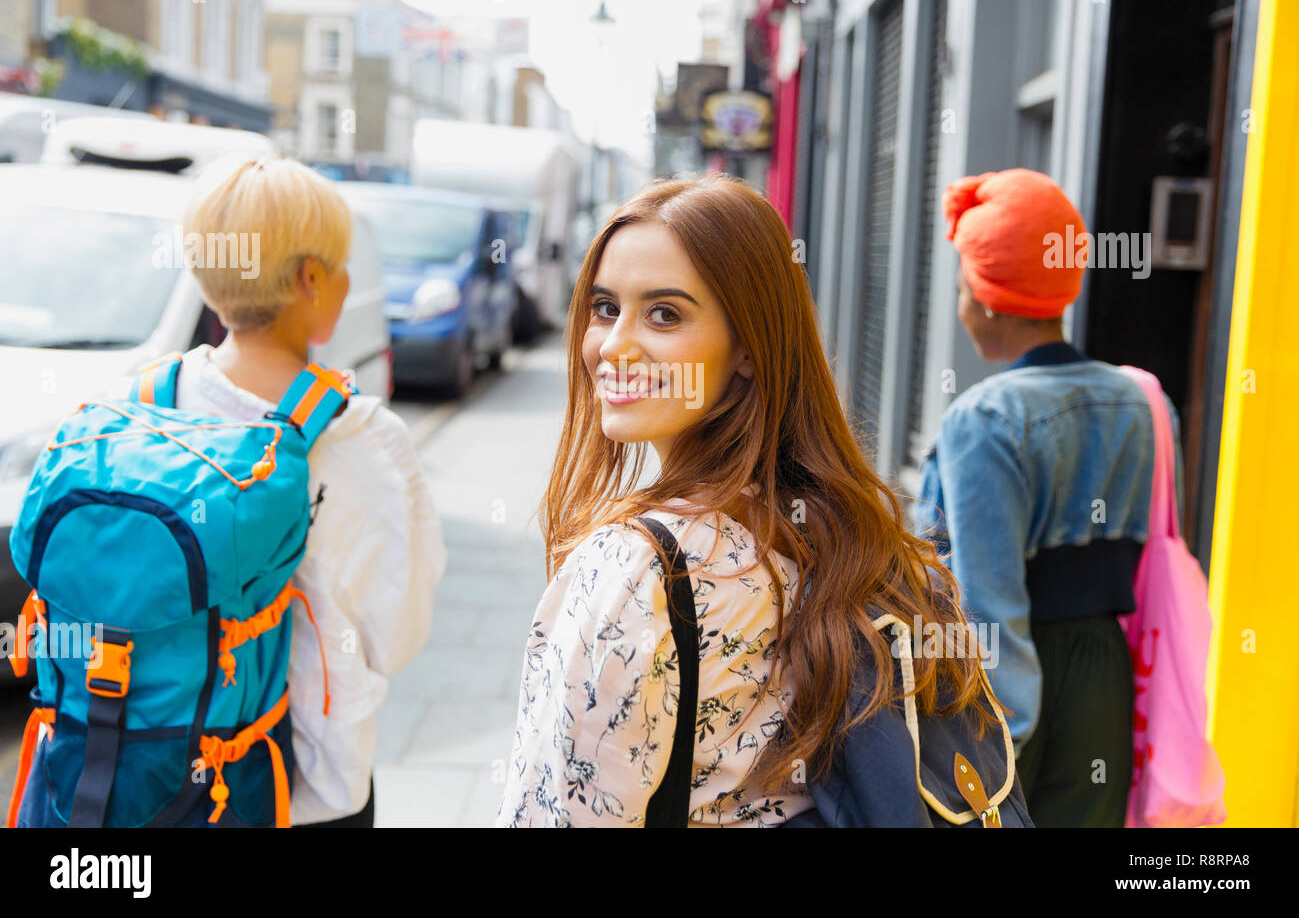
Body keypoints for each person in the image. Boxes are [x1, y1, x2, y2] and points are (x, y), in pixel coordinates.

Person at [497, 174, 1000, 827]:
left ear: (746, 348)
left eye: (664, 314)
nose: (615, 344)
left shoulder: (635, 572)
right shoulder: (844, 536)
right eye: (603, 307)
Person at [176, 156, 446, 825]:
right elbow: (397, 632)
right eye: (340, 267)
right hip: (306, 788)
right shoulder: (364, 439)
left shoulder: (142, 403)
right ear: (310, 279)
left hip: (153, 776)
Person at [916, 168, 1181, 826]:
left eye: (961, 289)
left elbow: (990, 602)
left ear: (987, 300)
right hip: (1102, 672)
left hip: (1013, 686)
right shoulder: (1141, 398)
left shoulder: (985, 418)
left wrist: (1002, 739)